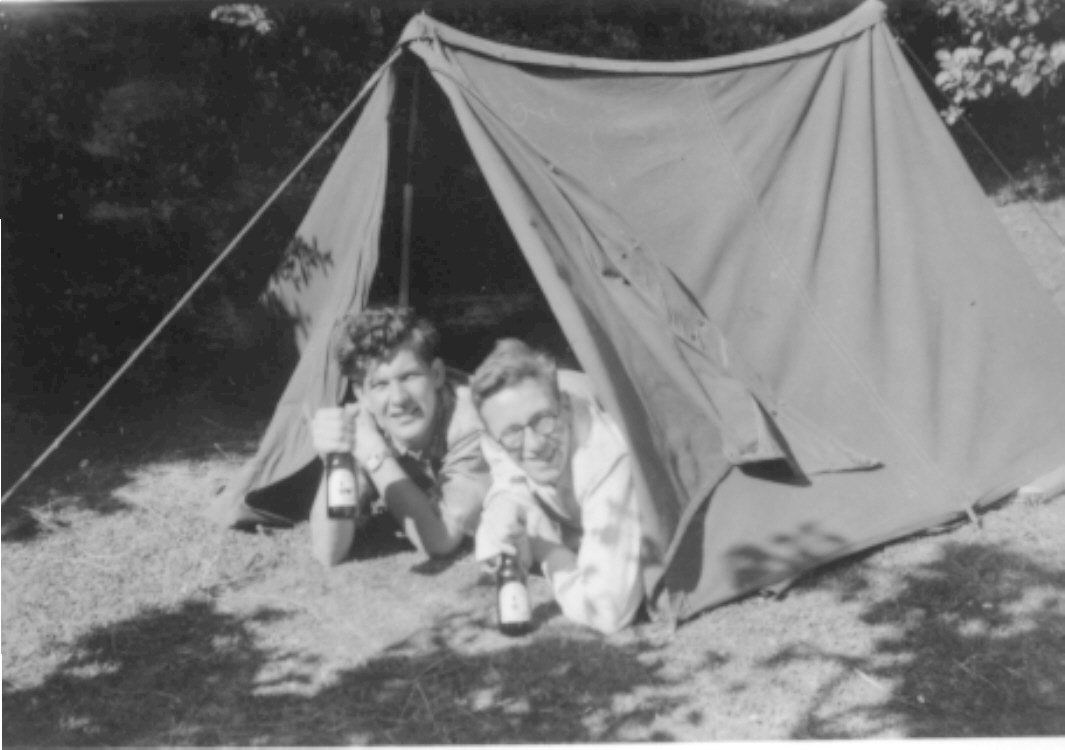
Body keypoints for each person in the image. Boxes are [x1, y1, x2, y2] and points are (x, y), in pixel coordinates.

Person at [470, 338, 644, 634]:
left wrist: (545, 548)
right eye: (512, 433)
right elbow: (505, 490)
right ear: (492, 441)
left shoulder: (602, 454)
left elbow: (608, 612)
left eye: (543, 420)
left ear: (564, 406)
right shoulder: (500, 440)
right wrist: (503, 505)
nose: (535, 444)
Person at [308, 306, 490, 565]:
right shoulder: (365, 421)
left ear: (436, 374)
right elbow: (328, 551)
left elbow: (441, 538)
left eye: (409, 376)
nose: (399, 399)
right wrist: (337, 459)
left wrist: (374, 455)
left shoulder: (473, 419)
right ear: (362, 395)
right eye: (380, 384)